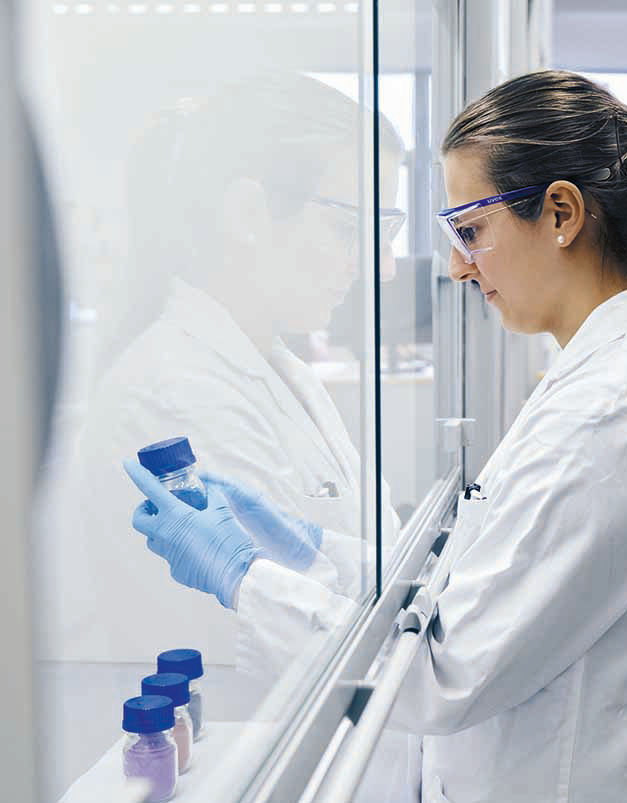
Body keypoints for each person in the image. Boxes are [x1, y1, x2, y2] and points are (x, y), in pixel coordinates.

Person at [124, 69, 627, 803]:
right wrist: (310, 549)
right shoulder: (604, 379)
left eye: (470, 230)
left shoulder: (614, 411)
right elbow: (478, 578)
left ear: (561, 212)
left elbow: (442, 669)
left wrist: (244, 575)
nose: (454, 264)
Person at [47, 75, 403, 668]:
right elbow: (288, 641)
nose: (382, 266)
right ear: (247, 213)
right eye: (350, 227)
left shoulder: (279, 366)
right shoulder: (176, 394)